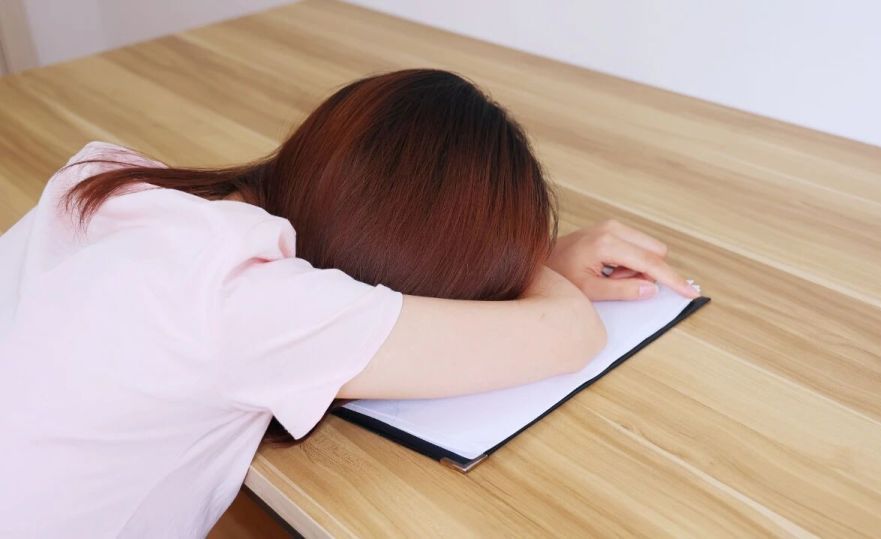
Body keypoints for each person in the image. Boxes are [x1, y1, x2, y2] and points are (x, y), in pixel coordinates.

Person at [0, 68, 699, 537]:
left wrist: (517, 252)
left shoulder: (108, 181)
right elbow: (571, 331)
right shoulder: (255, 306)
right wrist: (524, 263)